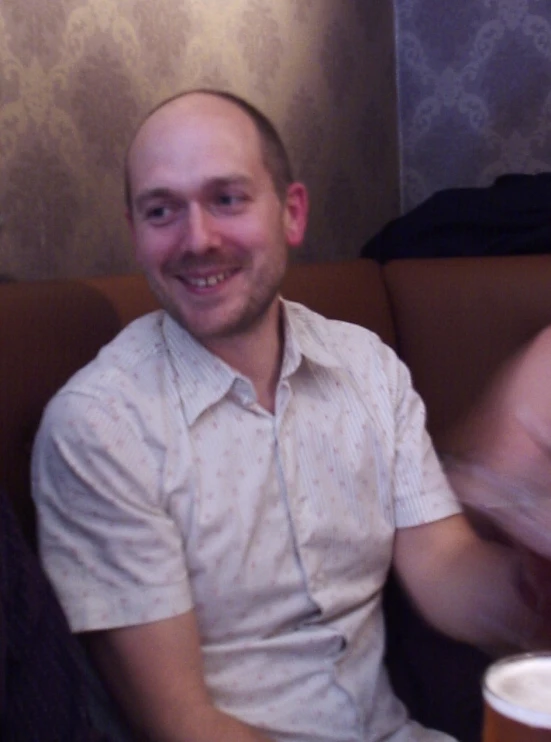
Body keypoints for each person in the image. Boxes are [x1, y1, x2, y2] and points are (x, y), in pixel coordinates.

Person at [31, 89, 549, 742]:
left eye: (227, 198)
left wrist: (529, 567)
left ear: (292, 213)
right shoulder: (99, 429)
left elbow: (444, 570)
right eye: (161, 211)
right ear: (135, 234)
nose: (197, 239)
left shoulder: (366, 366)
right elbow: (183, 724)